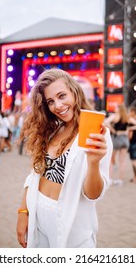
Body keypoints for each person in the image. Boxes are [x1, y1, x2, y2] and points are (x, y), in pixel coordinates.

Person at [16, 69, 113, 248]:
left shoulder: (97, 132)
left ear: (74, 92)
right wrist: (23, 211)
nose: (58, 106)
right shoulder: (53, 129)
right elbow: (34, 175)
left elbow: (93, 195)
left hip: (71, 223)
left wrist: (93, 163)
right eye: (51, 102)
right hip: (37, 213)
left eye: (62, 96)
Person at [105, 104, 136, 185]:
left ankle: (110, 179)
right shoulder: (127, 118)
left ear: (119, 109)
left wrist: (112, 129)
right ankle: (120, 180)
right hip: (125, 139)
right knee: (122, 161)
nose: (115, 109)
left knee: (111, 161)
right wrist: (129, 128)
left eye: (116, 107)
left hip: (116, 138)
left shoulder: (114, 116)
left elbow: (105, 122)